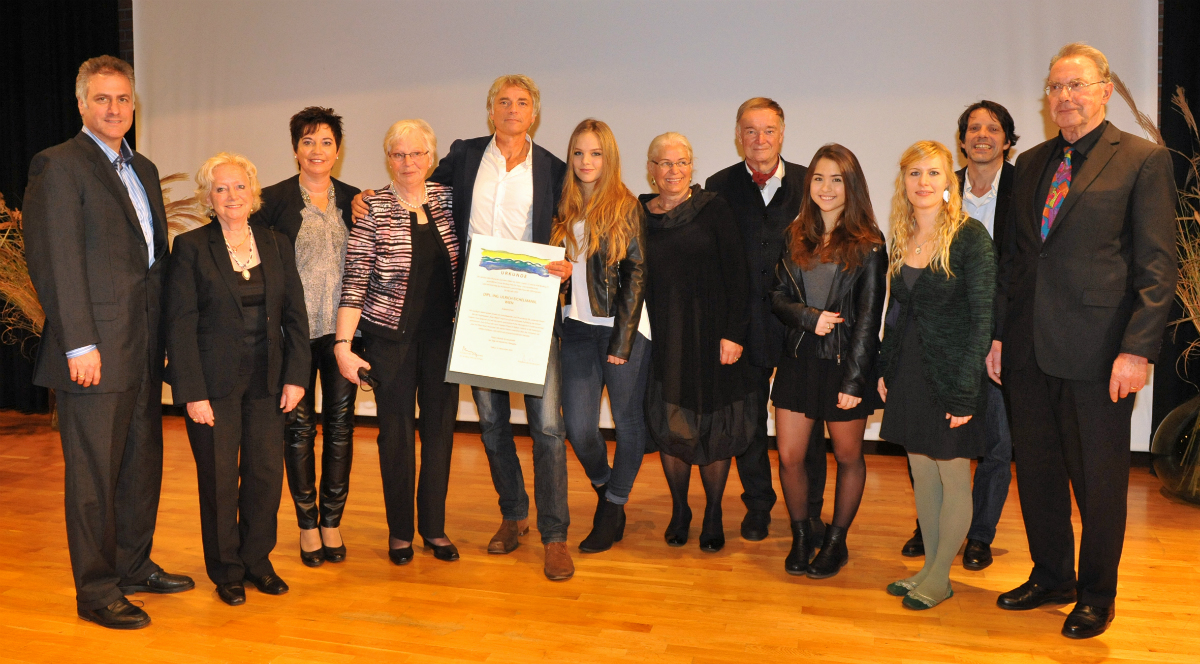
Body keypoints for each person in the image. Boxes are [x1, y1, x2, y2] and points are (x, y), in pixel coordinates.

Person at [990, 43, 1177, 639]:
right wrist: (998, 337)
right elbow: (1015, 260)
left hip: (1100, 354)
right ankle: (1052, 575)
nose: (1063, 97)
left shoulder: (1143, 160)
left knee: (1098, 482)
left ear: (1104, 90)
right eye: (1054, 87)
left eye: (1076, 85)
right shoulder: (1033, 163)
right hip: (1026, 349)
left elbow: (1157, 265)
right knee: (1038, 471)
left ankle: (1097, 592)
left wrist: (1138, 348)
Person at [353, 76, 573, 580]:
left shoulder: (554, 170)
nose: (512, 110)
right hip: (474, 313)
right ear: (490, 111)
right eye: (503, 102)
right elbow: (415, 185)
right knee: (492, 423)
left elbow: (573, 229)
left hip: (531, 310)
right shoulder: (467, 157)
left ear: (534, 113)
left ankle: (555, 535)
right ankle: (513, 515)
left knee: (547, 427)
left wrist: (569, 265)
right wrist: (365, 198)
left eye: (521, 103)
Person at [22, 55, 194, 630]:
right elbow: (55, 263)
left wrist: (168, 338)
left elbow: (154, 264)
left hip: (141, 346)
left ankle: (133, 563)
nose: (114, 108)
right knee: (94, 474)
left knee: (141, 463)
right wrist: (78, 344)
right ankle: (96, 591)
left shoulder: (142, 167)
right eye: (102, 99)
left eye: (122, 99)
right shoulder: (58, 166)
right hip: (93, 351)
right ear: (81, 104)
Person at [165, 153, 310, 607]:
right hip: (213, 385)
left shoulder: (276, 242)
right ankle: (226, 569)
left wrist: (296, 376)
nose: (231, 195)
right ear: (209, 197)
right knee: (220, 479)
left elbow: (295, 315)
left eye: (239, 186)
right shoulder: (190, 247)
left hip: (269, 380)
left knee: (266, 475)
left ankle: (257, 562)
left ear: (254, 192)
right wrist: (191, 392)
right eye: (221, 188)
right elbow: (180, 325)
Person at [333, 119, 462, 567]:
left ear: (431, 158)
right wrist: (343, 343)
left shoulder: (449, 201)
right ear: (388, 158)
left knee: (442, 434)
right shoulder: (373, 209)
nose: (408, 162)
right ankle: (401, 533)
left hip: (444, 339)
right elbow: (354, 281)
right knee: (397, 438)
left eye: (417, 154)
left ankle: (434, 528)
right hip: (389, 342)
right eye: (398, 154)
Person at [877, 140, 995, 610]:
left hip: (952, 377)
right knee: (921, 473)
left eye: (932, 173)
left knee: (952, 476)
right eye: (913, 174)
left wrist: (966, 393)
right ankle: (928, 567)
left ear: (950, 181)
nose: (923, 182)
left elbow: (982, 321)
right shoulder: (902, 236)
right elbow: (896, 313)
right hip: (908, 370)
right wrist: (886, 367)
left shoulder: (970, 238)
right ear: (903, 182)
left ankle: (942, 575)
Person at [901, 100, 1019, 568]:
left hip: (999, 333)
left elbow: (1023, 267)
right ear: (962, 139)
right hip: (941, 341)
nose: (982, 135)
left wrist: (1003, 335)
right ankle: (929, 527)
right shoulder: (939, 188)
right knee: (930, 442)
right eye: (973, 128)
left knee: (995, 441)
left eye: (993, 128)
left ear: (1007, 140)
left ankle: (979, 535)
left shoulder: (1022, 188)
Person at [704, 98, 828, 545]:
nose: (760, 139)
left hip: (799, 327)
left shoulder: (810, 182)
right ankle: (758, 504)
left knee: (806, 425)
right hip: (742, 327)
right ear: (738, 135)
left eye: (769, 130)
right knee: (749, 423)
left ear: (782, 133)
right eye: (750, 131)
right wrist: (723, 329)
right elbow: (714, 262)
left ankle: (811, 509)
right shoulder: (717, 186)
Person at [250, 106, 361, 567]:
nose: (317, 150)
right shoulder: (271, 201)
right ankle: (307, 525)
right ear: (296, 149)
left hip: (343, 338)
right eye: (308, 141)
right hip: (291, 336)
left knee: (340, 431)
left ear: (338, 150)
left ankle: (332, 521)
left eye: (326, 142)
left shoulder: (356, 200)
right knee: (297, 433)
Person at [769, 144, 885, 578]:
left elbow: (868, 320)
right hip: (799, 360)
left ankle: (836, 542)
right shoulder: (794, 233)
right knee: (790, 456)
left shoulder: (869, 244)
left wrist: (855, 383)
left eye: (836, 179)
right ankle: (803, 535)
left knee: (848, 456)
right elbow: (776, 298)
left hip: (845, 366)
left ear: (850, 185)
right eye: (819, 178)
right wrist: (808, 317)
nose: (826, 187)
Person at [640, 132, 755, 553]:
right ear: (651, 170)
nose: (674, 171)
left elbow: (738, 274)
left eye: (682, 162)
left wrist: (734, 334)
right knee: (672, 423)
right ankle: (679, 510)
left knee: (715, 426)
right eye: (665, 163)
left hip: (713, 336)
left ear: (692, 167)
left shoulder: (714, 209)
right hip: (664, 337)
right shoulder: (639, 214)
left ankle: (712, 512)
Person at [552, 119, 651, 554]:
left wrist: (622, 342)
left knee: (629, 425)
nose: (586, 161)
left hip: (622, 329)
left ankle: (611, 510)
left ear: (608, 158)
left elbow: (636, 275)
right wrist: (555, 277)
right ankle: (608, 489)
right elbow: (567, 273)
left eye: (595, 153)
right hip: (575, 329)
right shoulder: (563, 206)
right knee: (578, 428)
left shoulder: (626, 205)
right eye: (578, 152)